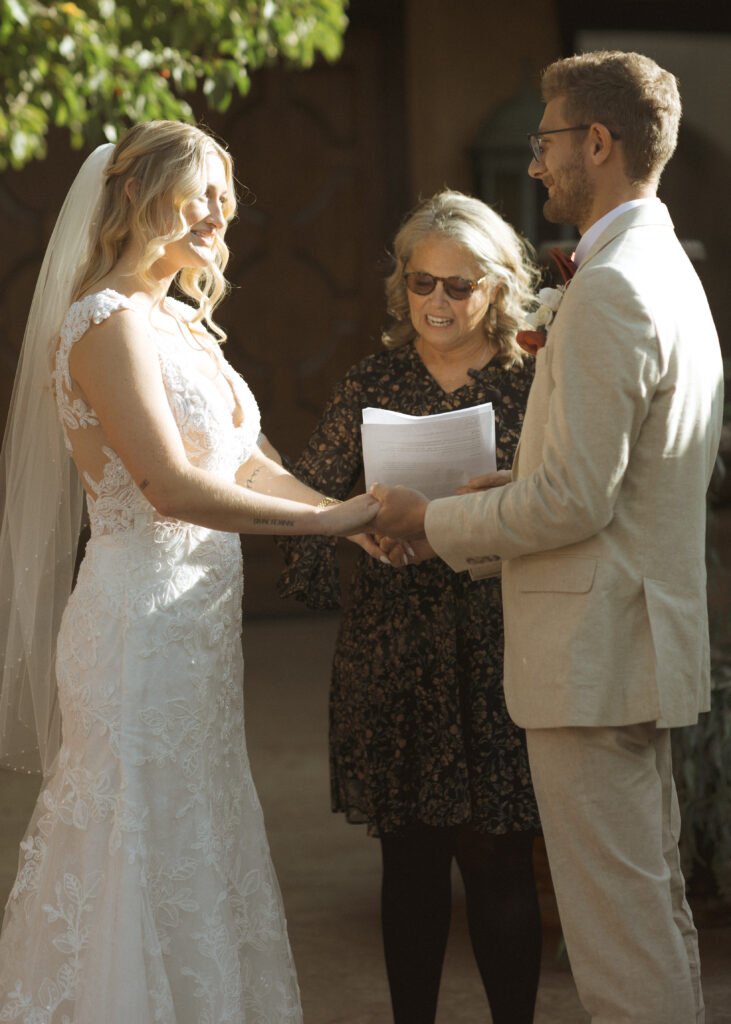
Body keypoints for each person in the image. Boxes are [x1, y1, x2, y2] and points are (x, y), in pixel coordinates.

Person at [370, 52, 724, 1024]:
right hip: (626, 639)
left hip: (594, 650)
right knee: (644, 913)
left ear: (597, 143)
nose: (534, 165)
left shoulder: (610, 286)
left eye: (548, 140)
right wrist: (510, 490)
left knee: (616, 937)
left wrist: (431, 519)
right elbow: (598, 480)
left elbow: (573, 502)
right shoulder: (660, 268)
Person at [0, 120, 379, 1023]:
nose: (221, 210)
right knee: (133, 829)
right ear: (137, 196)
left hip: (198, 633)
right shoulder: (104, 322)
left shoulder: (179, 322)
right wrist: (331, 522)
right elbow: (170, 487)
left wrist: (352, 521)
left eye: (226, 193)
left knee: (197, 823)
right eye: (200, 190)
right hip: (138, 628)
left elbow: (245, 463)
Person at [277, 190, 543, 1024]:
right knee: (411, 863)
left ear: (496, 288)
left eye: (457, 287)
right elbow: (312, 495)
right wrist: (358, 530)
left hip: (499, 635)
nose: (435, 302)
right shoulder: (373, 378)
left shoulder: (533, 379)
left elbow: (568, 504)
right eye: (421, 283)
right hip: (394, 646)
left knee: (499, 859)